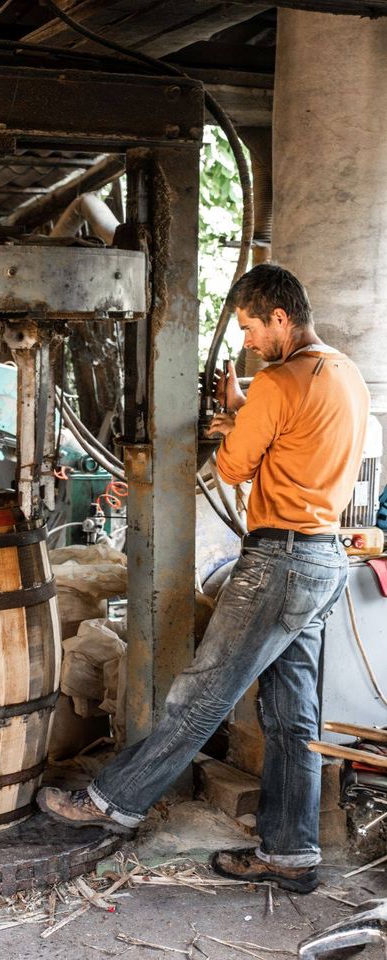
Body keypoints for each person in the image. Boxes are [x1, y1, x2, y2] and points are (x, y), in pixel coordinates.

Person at [37, 263, 370, 894]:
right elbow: (295, 440)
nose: (246, 343)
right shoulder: (343, 373)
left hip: (279, 561)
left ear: (280, 317)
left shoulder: (277, 380)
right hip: (325, 559)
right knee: (294, 718)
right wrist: (244, 415)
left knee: (200, 697)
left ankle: (112, 804)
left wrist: (234, 427)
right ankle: (292, 855)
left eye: (250, 328)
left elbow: (237, 467)